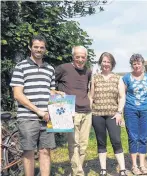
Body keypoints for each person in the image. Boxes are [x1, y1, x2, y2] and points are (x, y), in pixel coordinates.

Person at [10, 35, 63, 176]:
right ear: (30, 47)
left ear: (45, 49)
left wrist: (59, 94)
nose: (39, 50)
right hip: (27, 117)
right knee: (28, 153)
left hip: (47, 117)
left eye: (42, 47)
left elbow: (50, 91)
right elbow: (17, 94)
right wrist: (38, 111)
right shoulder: (20, 67)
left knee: (45, 151)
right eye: (36, 47)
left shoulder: (50, 69)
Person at [55, 46, 92, 176]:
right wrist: (55, 92)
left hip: (87, 112)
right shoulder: (63, 68)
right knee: (73, 144)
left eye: (83, 57)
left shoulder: (88, 71)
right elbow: (49, 82)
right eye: (78, 56)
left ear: (86, 58)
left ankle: (76, 170)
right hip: (69, 111)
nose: (80, 59)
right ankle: (78, 173)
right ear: (73, 56)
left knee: (83, 145)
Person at [89, 52, 127, 176]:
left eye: (108, 62)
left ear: (112, 64)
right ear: (100, 63)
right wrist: (89, 113)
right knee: (101, 142)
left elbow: (122, 97)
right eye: (104, 61)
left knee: (116, 140)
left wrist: (119, 112)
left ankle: (122, 169)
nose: (106, 64)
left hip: (113, 115)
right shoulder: (95, 78)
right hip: (97, 114)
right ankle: (103, 170)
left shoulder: (118, 78)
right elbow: (91, 96)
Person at [122, 54, 147, 175]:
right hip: (130, 110)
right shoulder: (126, 78)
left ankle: (142, 165)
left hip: (145, 110)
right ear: (132, 65)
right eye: (134, 63)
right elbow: (122, 95)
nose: (136, 65)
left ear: (142, 64)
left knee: (143, 137)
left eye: (138, 63)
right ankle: (134, 165)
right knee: (133, 137)